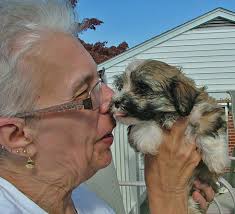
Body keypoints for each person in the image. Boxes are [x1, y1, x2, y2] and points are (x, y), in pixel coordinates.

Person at [0, 0, 214, 213]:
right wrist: (168, 195)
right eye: (83, 93)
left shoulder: (88, 203)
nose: (111, 98)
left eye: (100, 81)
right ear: (17, 135)